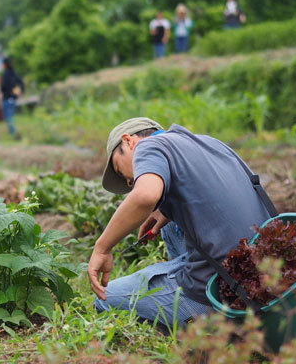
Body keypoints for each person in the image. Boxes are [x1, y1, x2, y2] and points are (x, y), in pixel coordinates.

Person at [88, 117, 273, 329]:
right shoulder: (207, 143)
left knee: (104, 299)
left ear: (128, 141)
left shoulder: (148, 146)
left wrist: (102, 249)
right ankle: (181, 277)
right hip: (264, 276)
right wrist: (165, 212)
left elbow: (145, 196)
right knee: (165, 220)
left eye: (120, 171)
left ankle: (198, 312)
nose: (129, 182)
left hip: (224, 297)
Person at [0, 57, 24, 139]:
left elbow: (3, 87)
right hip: (13, 98)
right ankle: (12, 134)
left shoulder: (5, 74)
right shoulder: (13, 73)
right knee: (10, 116)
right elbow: (21, 83)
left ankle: (13, 134)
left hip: (7, 98)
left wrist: (1, 92)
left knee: (8, 117)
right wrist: (19, 93)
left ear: (4, 65)